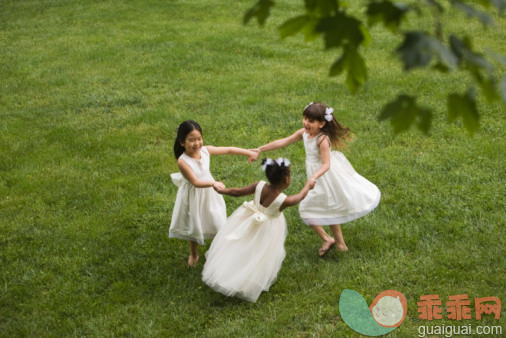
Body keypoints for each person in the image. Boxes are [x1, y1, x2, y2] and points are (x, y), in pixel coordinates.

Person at [254, 102, 380, 257]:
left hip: (325, 177)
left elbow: (326, 164)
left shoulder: (322, 140)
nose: (306, 123)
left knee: (305, 210)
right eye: (305, 118)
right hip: (316, 176)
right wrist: (261, 148)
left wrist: (313, 177)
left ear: (322, 123)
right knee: (328, 207)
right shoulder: (304, 133)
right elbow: (284, 141)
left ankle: (328, 239)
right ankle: (340, 244)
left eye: (311, 121)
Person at [202, 158, 315, 302]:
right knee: (259, 253)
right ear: (287, 180)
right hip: (266, 230)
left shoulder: (259, 185)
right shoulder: (284, 200)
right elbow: (299, 197)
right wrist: (308, 186)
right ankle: (247, 281)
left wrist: (222, 190)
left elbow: (237, 192)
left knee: (241, 245)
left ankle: (230, 270)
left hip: (246, 219)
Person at [170, 120, 259, 267]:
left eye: (199, 138)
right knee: (195, 224)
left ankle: (220, 250)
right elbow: (195, 182)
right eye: (191, 140)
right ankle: (194, 253)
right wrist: (212, 183)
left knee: (217, 220)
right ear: (182, 142)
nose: (197, 143)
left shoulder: (205, 151)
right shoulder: (183, 161)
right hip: (194, 196)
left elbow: (229, 149)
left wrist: (248, 152)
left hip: (211, 195)